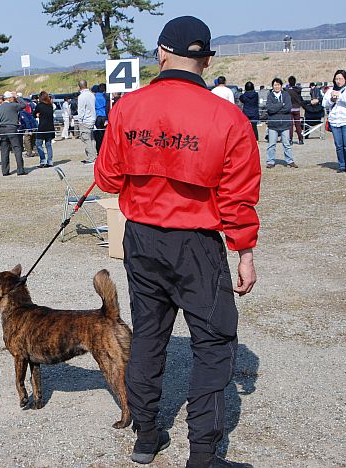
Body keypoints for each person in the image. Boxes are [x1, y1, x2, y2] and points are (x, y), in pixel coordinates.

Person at [95, 16, 260, 468]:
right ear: (206, 60)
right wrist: (244, 253)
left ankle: (146, 436)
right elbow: (238, 197)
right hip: (197, 244)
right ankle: (203, 455)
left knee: (149, 335)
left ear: (161, 53)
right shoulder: (228, 116)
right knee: (213, 340)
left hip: (143, 240)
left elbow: (107, 176)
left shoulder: (128, 108)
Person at [323, 70, 346, 174]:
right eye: (336, 79)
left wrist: (338, 96)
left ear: (345, 79)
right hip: (335, 121)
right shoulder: (330, 90)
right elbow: (324, 104)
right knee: (339, 145)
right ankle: (342, 165)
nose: (338, 81)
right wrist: (331, 99)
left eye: (340, 79)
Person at [265, 78, 297, 169]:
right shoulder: (270, 95)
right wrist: (281, 105)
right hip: (273, 124)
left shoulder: (286, 95)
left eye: (278, 85)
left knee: (287, 144)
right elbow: (270, 109)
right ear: (272, 86)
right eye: (275, 85)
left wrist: (277, 109)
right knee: (271, 145)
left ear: (281, 86)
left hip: (285, 124)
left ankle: (290, 161)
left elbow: (288, 108)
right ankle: (270, 161)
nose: (277, 86)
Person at [0, 91, 27, 176]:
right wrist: (17, 97)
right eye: (12, 97)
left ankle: (5, 171)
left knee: (4, 151)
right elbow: (24, 104)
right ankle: (20, 170)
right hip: (12, 128)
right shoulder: (13, 105)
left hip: (2, 130)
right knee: (17, 149)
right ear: (9, 98)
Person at [76, 80, 97, 164]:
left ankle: (91, 157)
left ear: (79, 87)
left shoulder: (82, 96)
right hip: (92, 119)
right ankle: (94, 155)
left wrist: (79, 120)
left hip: (85, 120)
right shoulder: (92, 95)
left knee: (86, 139)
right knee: (92, 139)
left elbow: (81, 110)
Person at [34, 91, 55, 167]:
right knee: (48, 145)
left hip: (42, 127)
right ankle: (50, 161)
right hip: (50, 127)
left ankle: (43, 160)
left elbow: (34, 115)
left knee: (38, 144)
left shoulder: (39, 106)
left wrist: (38, 115)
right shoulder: (50, 106)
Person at [286, 76, 305, 144]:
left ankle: (290, 139)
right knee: (298, 125)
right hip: (297, 108)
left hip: (290, 109)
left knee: (290, 125)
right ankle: (300, 139)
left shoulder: (288, 90)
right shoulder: (298, 90)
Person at [93, 83, 109, 152]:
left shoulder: (94, 96)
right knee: (105, 134)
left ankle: (99, 150)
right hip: (105, 116)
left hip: (98, 116)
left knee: (98, 135)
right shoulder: (106, 96)